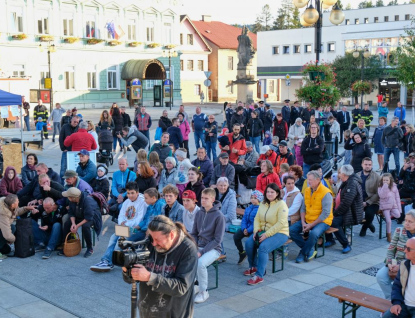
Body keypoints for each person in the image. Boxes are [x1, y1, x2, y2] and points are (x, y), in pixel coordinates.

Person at [124, 215, 198, 318]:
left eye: (157, 240)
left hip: (173, 313)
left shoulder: (188, 249)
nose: (154, 244)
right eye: (151, 238)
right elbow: (134, 278)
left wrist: (150, 277)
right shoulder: (149, 243)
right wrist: (128, 272)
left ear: (171, 235)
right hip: (147, 311)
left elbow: (181, 287)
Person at [90, 182, 148, 272]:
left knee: (120, 240)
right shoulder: (126, 202)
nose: (130, 195)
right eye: (128, 193)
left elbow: (139, 220)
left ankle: (111, 262)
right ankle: (105, 260)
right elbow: (121, 215)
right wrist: (121, 223)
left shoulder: (142, 202)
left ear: (137, 192)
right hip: (125, 227)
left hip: (137, 230)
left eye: (132, 193)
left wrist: (126, 224)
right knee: (113, 237)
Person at [244, 183, 289, 285]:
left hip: (280, 232)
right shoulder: (263, 203)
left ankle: (259, 275)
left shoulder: (281, 204)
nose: (269, 194)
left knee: (263, 247)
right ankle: (253, 266)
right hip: (263, 231)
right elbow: (257, 218)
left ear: (277, 193)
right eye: (268, 192)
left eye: (272, 192)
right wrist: (256, 231)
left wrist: (266, 235)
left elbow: (281, 223)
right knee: (248, 243)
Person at [289, 170, 333, 263]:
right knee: (291, 230)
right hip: (307, 219)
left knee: (313, 233)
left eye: (310, 180)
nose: (308, 182)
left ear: (318, 179)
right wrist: (303, 222)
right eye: (308, 180)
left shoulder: (326, 193)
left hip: (323, 221)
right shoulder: (307, 190)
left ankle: (303, 252)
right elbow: (303, 209)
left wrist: (311, 225)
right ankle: (310, 249)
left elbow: (325, 214)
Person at [191, 188, 225, 303]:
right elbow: (194, 233)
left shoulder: (219, 216)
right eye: (202, 198)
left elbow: (217, 240)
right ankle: (195, 284)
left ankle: (203, 291)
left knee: (200, 263)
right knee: (186, 257)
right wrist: (194, 246)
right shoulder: (199, 212)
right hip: (199, 245)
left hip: (214, 249)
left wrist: (201, 251)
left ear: (213, 200)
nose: (203, 201)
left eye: (206, 198)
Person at [376, 211, 415, 300]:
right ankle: (391, 301)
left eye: (410, 221)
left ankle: (403, 303)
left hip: (410, 266)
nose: (407, 223)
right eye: (406, 220)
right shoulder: (399, 230)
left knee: (405, 283)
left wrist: (401, 266)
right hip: (395, 263)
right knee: (381, 276)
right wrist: (389, 263)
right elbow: (391, 249)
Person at [325, 165, 362, 254]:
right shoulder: (347, 181)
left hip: (351, 212)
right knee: (326, 218)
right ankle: (330, 239)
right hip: (344, 210)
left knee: (333, 222)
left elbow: (346, 203)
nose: (338, 174)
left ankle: (346, 244)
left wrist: (335, 213)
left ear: (344, 174)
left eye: (340, 173)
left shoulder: (352, 183)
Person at [62, 187, 102, 257]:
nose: (67, 198)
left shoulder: (87, 201)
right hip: (80, 215)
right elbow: (71, 213)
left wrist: (77, 226)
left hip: (92, 217)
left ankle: (90, 248)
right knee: (67, 224)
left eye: (68, 197)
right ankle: (66, 245)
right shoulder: (72, 201)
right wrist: (73, 223)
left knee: (85, 226)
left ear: (73, 197)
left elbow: (88, 217)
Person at [382, 237, 415, 318]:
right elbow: (397, 286)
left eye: (408, 249)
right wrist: (396, 303)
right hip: (404, 305)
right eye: (405, 247)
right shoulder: (404, 265)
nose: (405, 251)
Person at [233, 190, 261, 264]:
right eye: (251, 197)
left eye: (255, 198)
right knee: (236, 236)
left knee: (252, 243)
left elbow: (256, 222)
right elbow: (244, 219)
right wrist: (244, 228)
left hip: (254, 229)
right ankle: (242, 252)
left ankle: (254, 259)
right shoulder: (248, 208)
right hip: (246, 228)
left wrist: (248, 230)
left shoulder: (260, 209)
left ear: (259, 199)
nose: (252, 199)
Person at [359, 157, 382, 236]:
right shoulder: (357, 175)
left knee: (369, 213)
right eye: (365, 164)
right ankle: (369, 224)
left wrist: (367, 203)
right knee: (353, 214)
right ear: (362, 165)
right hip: (359, 201)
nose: (367, 166)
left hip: (373, 201)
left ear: (372, 165)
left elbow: (378, 193)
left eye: (369, 165)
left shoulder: (377, 177)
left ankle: (364, 228)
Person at [379, 173, 402, 242]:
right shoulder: (380, 187)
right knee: (388, 221)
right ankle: (389, 235)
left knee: (398, 215)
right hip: (385, 206)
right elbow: (381, 196)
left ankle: (389, 214)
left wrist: (399, 209)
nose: (385, 182)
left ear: (390, 180)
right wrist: (385, 187)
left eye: (387, 180)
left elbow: (397, 198)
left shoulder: (394, 187)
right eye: (384, 180)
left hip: (393, 205)